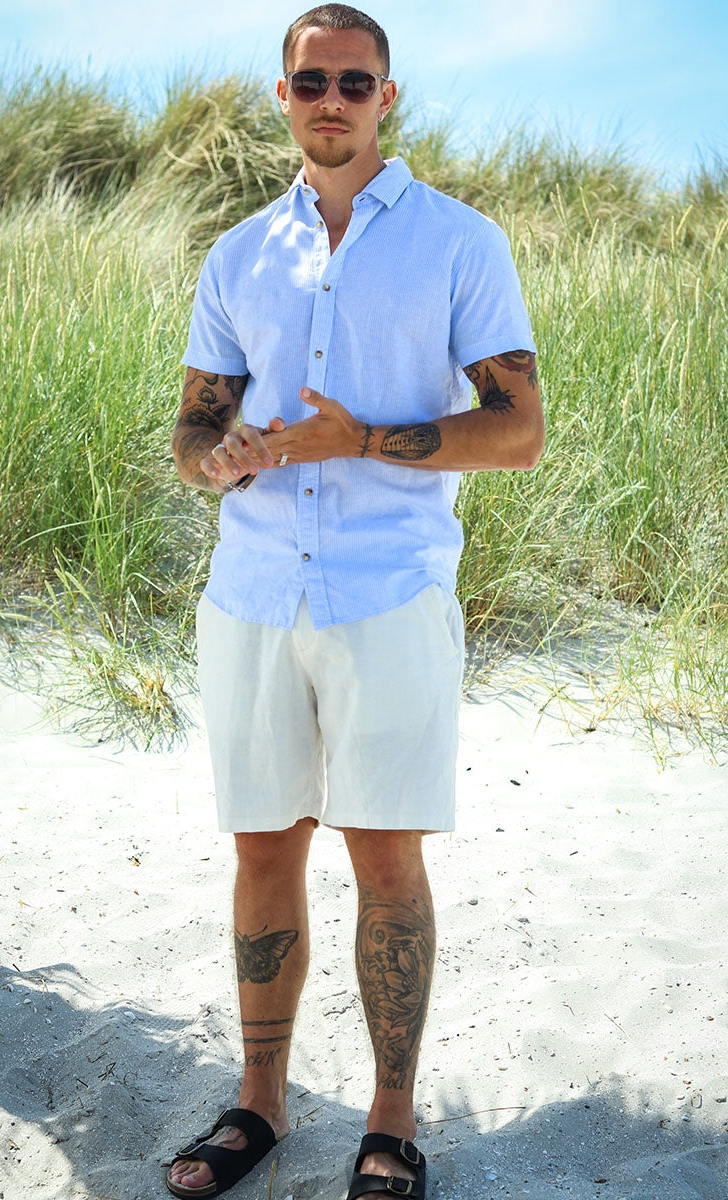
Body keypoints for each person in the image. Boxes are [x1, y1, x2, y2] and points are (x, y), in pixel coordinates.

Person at [167, 5, 543, 1197]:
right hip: (252, 592)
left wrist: (363, 439)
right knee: (261, 847)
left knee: (384, 857)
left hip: (388, 590)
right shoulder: (236, 255)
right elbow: (192, 428)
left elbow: (518, 431)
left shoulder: (458, 242)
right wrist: (219, 459)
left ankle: (389, 1120)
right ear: (281, 96)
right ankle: (259, 1104)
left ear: (387, 97)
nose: (330, 99)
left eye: (353, 80)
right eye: (310, 81)